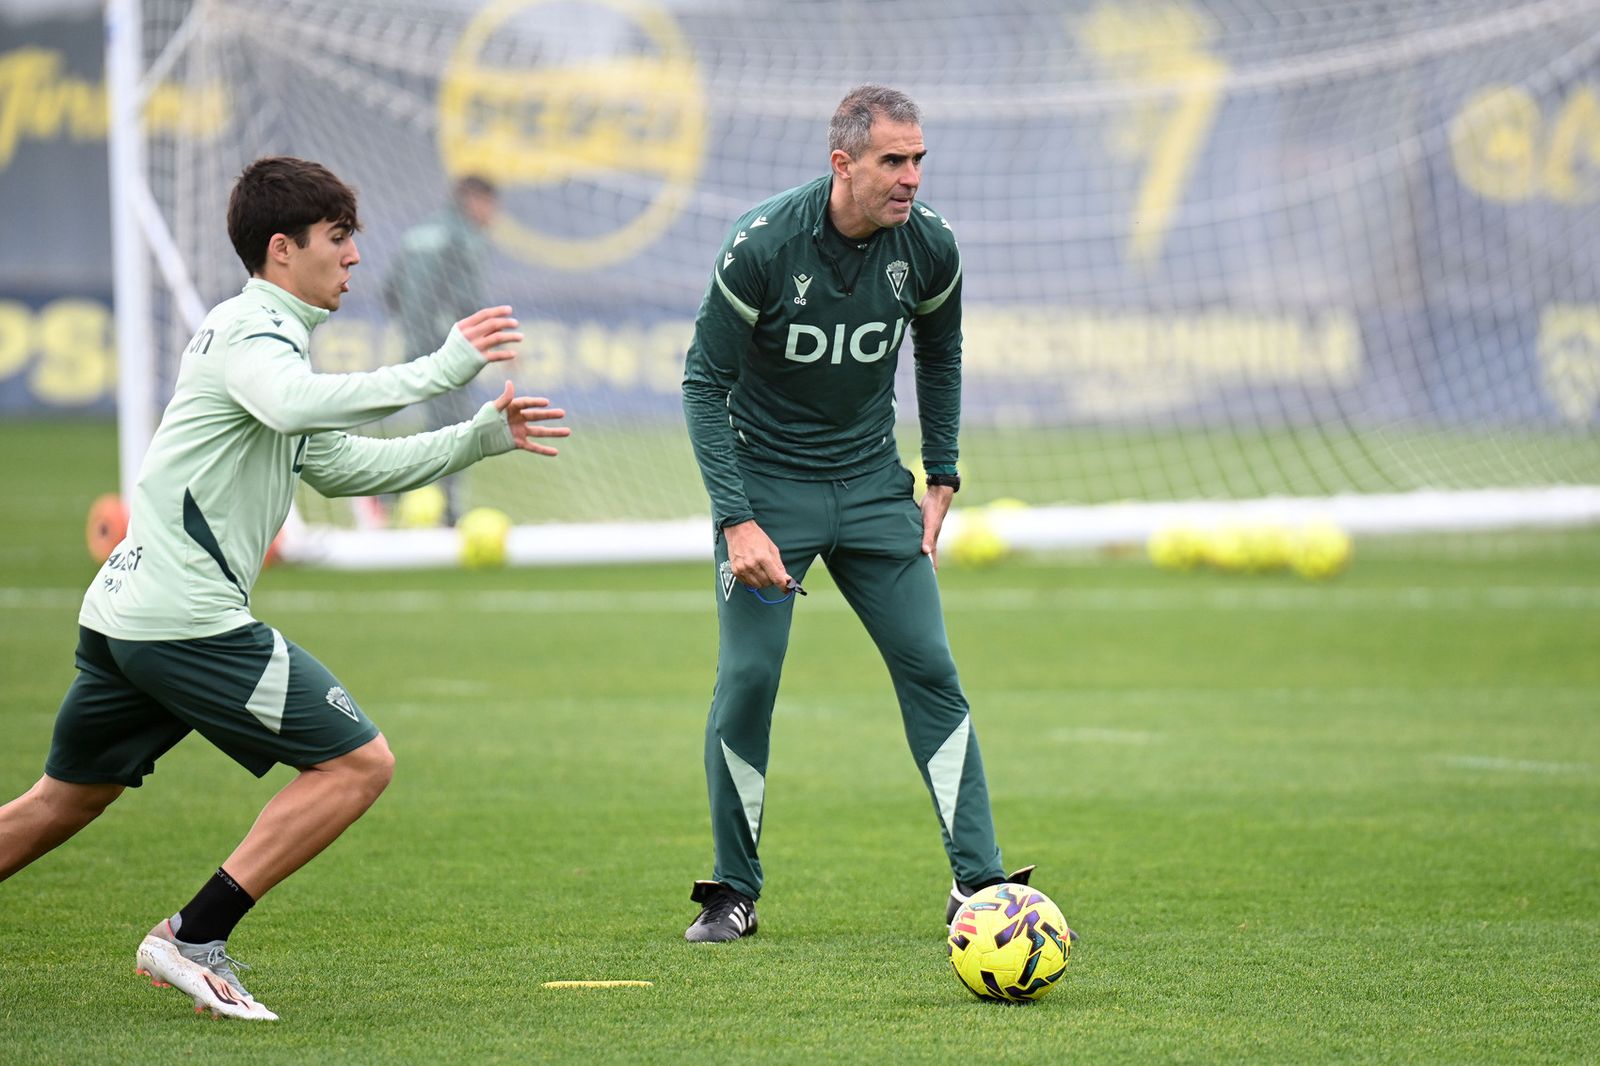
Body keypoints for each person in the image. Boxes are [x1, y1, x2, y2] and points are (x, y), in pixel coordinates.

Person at [0, 156, 569, 1019]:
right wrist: (441, 368)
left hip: (128, 614)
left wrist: (478, 439)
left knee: (62, 802)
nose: (353, 257)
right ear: (281, 249)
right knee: (358, 764)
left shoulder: (267, 342)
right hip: (185, 620)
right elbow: (300, 405)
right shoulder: (250, 334)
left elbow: (342, 466)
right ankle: (192, 937)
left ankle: (193, 936)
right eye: (337, 238)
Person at [679, 85, 1033, 943]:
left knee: (933, 670)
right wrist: (736, 520)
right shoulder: (762, 246)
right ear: (843, 164)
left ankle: (979, 881)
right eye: (892, 161)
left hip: (875, 490)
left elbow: (941, 354)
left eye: (918, 160)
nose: (911, 177)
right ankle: (733, 891)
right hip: (769, 494)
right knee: (748, 681)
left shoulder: (931, 245)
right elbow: (701, 384)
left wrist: (941, 472)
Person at [381, 175, 501, 524]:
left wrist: (415, 325)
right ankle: (442, 509)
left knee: (434, 427)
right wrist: (495, 341)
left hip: (416, 345)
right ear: (474, 199)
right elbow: (468, 301)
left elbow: (390, 292)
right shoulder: (464, 238)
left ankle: (385, 495)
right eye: (490, 204)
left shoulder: (417, 234)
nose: (492, 214)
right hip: (451, 350)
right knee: (453, 431)